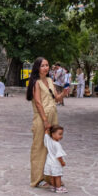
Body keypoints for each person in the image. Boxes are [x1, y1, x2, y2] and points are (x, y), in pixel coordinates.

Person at [28, 57, 66, 188]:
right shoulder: (35, 83)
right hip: (41, 117)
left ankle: (50, 176)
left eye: (47, 65)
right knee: (39, 147)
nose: (46, 67)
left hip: (52, 115)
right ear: (37, 68)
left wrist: (64, 93)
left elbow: (56, 98)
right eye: (43, 65)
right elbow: (38, 102)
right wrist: (44, 120)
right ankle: (37, 178)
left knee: (51, 147)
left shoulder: (50, 80)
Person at [43, 125, 67, 193]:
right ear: (53, 134)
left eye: (62, 134)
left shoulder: (49, 141)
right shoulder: (57, 144)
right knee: (58, 176)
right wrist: (62, 162)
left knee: (52, 176)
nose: (61, 136)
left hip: (49, 162)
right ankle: (59, 188)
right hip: (55, 163)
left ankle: (53, 187)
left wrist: (46, 129)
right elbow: (59, 156)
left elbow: (46, 135)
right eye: (59, 134)